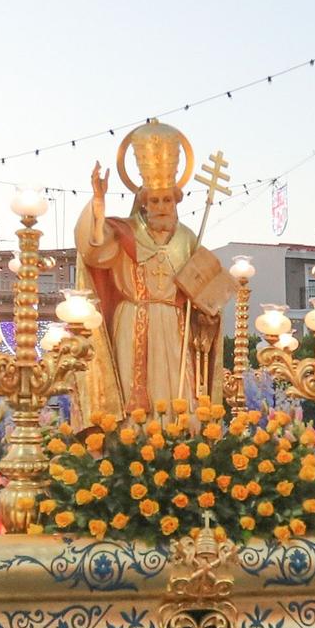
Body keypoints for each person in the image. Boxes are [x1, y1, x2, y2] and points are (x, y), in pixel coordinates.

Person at [72, 121, 231, 411]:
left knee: (177, 395)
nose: (161, 206)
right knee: (135, 396)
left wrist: (208, 314)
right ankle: (131, 446)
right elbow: (94, 250)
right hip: (133, 321)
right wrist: (98, 204)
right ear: (143, 203)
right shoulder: (124, 232)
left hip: (175, 327)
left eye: (167, 200)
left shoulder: (188, 239)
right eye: (154, 200)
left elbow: (206, 294)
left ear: (176, 202)